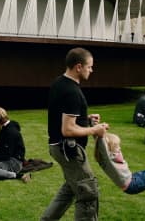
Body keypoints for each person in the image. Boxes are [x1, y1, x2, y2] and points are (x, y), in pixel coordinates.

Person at [41, 47, 109, 221]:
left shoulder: (59, 83)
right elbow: (67, 129)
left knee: (71, 189)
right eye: (89, 67)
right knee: (87, 191)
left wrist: (85, 119)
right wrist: (95, 129)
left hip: (57, 147)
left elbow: (61, 117)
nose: (91, 70)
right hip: (69, 150)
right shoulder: (72, 92)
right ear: (78, 67)